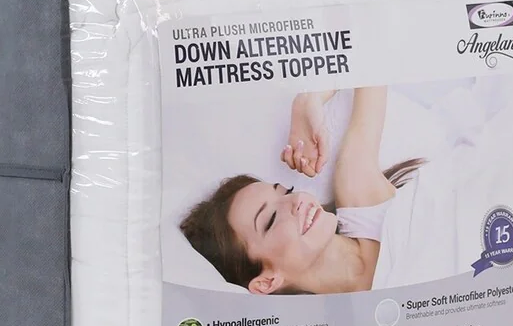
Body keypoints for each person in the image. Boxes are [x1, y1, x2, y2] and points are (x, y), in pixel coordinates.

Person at [180, 87, 422, 294]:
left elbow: (368, 64)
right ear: (266, 282)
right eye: (271, 219)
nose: (295, 201)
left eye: (286, 192)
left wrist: (308, 100)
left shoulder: (362, 197)